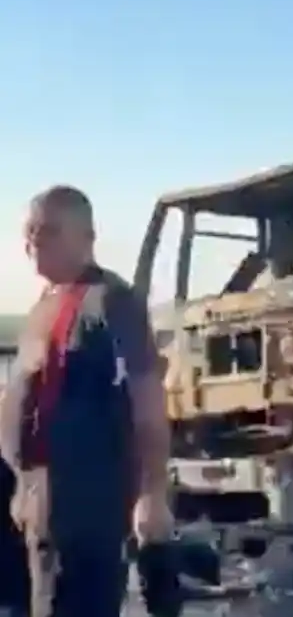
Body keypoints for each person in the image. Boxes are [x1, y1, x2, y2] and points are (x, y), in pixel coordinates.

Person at [0, 185, 176, 616]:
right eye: (29, 233)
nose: (33, 243)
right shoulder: (44, 305)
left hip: (87, 512)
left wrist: (153, 494)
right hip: (38, 509)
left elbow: (148, 400)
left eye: (48, 231)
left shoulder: (112, 301)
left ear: (87, 235)